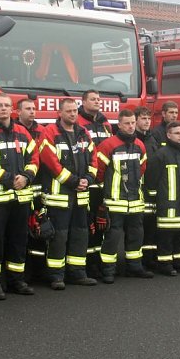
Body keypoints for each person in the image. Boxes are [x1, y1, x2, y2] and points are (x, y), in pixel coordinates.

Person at [0, 94, 40, 299]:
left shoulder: (22, 132)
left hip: (21, 197)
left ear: (12, 109)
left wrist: (27, 177)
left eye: (6, 105)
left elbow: (34, 157)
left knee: (19, 240)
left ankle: (16, 280)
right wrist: (10, 179)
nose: (3, 109)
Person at [37, 98, 98, 289]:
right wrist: (73, 181)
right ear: (60, 113)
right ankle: (56, 276)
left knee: (81, 234)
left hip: (80, 194)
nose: (73, 114)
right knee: (59, 236)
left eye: (75, 111)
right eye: (69, 111)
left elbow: (94, 159)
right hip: (59, 196)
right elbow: (50, 161)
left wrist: (88, 179)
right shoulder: (50, 132)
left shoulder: (83, 133)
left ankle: (77, 273)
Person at [94, 108, 154, 282]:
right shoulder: (108, 145)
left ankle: (134, 267)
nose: (130, 126)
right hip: (115, 200)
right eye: (127, 123)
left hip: (135, 200)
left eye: (133, 123)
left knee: (136, 234)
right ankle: (108, 270)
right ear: (119, 124)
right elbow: (99, 171)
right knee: (112, 236)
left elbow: (142, 167)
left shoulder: (139, 145)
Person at [147, 122, 180, 276]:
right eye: (177, 133)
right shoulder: (161, 154)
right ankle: (165, 264)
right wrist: (156, 201)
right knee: (166, 236)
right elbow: (151, 180)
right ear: (168, 135)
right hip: (166, 204)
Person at [77, 90, 113, 270]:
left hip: (103, 182)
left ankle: (97, 260)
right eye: (93, 99)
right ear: (83, 102)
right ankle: (87, 262)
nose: (97, 101)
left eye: (99, 99)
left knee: (101, 222)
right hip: (87, 180)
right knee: (87, 222)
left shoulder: (105, 123)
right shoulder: (78, 122)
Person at [16, 98, 47, 282]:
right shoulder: (14, 131)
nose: (32, 112)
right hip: (21, 188)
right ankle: (23, 271)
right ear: (18, 112)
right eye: (28, 108)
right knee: (21, 233)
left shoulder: (42, 131)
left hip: (38, 188)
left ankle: (38, 270)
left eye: (34, 108)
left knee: (39, 230)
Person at [134, 106, 157, 266]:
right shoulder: (133, 139)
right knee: (136, 227)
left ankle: (149, 258)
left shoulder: (152, 139)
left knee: (150, 225)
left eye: (148, 118)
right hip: (135, 190)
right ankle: (136, 260)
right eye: (143, 118)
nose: (147, 121)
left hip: (151, 188)